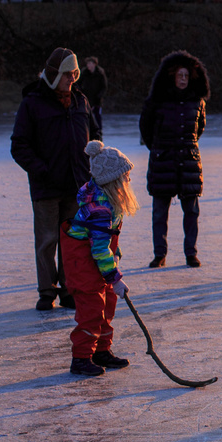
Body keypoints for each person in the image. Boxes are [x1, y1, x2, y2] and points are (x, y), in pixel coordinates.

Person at [11, 47, 101, 311]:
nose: (72, 78)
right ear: (53, 74)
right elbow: (19, 146)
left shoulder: (80, 101)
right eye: (67, 74)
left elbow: (95, 134)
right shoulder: (32, 103)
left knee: (71, 241)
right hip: (47, 187)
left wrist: (94, 161)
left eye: (75, 73)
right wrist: (42, 169)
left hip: (77, 185)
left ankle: (69, 289)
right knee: (48, 240)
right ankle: (47, 290)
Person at [64, 141, 138, 377]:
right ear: (113, 180)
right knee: (92, 310)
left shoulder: (107, 201)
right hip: (83, 265)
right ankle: (81, 358)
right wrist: (115, 277)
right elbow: (98, 249)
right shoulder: (100, 208)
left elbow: (105, 242)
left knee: (107, 304)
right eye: (125, 176)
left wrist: (114, 257)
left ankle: (101, 351)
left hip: (97, 264)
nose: (129, 181)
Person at [140, 50, 210, 268]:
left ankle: (191, 253)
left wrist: (186, 146)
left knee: (191, 211)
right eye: (180, 75)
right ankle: (159, 254)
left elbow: (199, 129)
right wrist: (159, 148)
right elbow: (146, 127)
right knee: (160, 212)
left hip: (188, 161)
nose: (183, 79)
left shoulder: (197, 102)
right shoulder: (157, 101)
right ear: (171, 76)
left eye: (186, 76)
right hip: (163, 160)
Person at [80, 57, 109, 131]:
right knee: (86, 117)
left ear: (94, 64)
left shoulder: (100, 73)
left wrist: (99, 96)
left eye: (90, 63)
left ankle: (99, 132)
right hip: (87, 98)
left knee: (97, 116)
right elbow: (79, 84)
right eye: (87, 64)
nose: (88, 65)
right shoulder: (84, 73)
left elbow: (104, 87)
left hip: (97, 100)